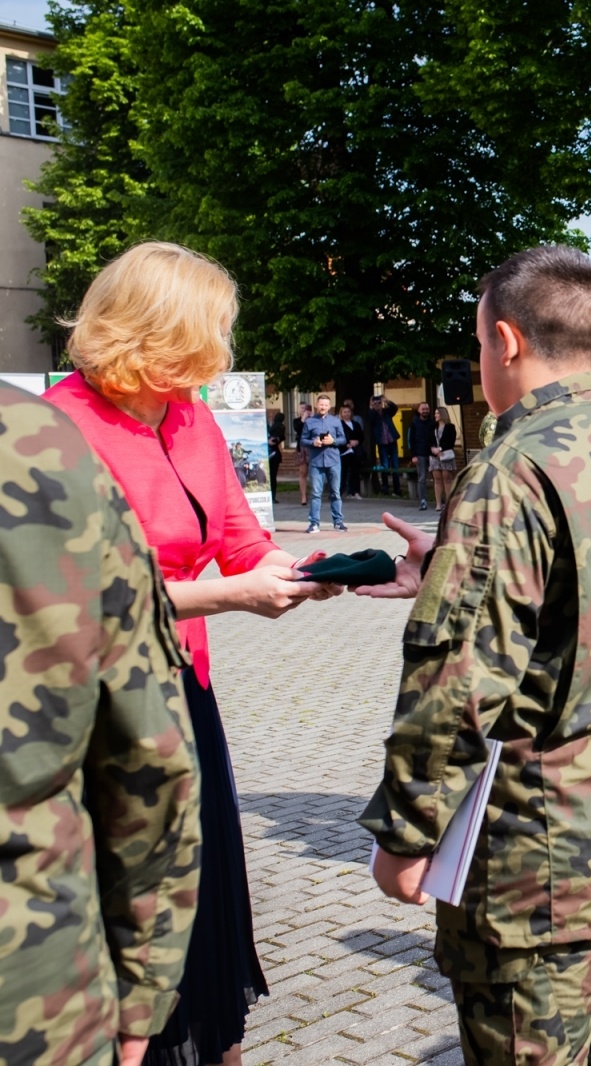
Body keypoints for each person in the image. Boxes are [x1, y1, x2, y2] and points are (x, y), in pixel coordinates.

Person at [359, 244, 591, 1065]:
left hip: (543, 850)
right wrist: (448, 568)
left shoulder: (511, 470)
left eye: (480, 343)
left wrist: (409, 833)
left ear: (507, 343)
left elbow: (456, 684)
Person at [44, 241, 341, 1066]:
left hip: (185, 689)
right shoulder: (58, 430)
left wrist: (307, 575)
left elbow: (240, 543)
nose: (217, 355)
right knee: (125, 911)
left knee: (199, 902)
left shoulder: (189, 415)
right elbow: (69, 602)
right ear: (153, 330)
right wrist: (226, 595)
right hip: (90, 711)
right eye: (207, 333)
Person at [0, 382, 201, 1066]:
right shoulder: (50, 436)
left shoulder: (179, 425)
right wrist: (143, 987)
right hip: (30, 985)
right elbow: (148, 757)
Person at [300, 393, 347, 532]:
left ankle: (338, 522)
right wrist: (313, 442)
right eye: (321, 404)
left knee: (336, 493)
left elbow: (343, 439)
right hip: (316, 461)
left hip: (333, 461)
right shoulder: (309, 422)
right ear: (316, 405)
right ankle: (314, 523)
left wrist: (333, 441)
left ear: (329, 406)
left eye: (326, 405)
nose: (323, 407)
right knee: (315, 493)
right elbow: (303, 440)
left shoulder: (335, 421)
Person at [408, 399, 438, 510]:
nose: (425, 411)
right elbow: (410, 440)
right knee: (422, 478)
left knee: (437, 478)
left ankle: (438, 500)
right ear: (419, 410)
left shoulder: (432, 423)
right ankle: (423, 501)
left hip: (432, 454)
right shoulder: (414, 423)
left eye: (427, 409)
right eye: (423, 409)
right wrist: (413, 455)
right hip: (420, 454)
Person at [430, 405, 457, 520]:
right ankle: (438, 504)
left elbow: (451, 442)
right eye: (435, 413)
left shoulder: (450, 427)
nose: (435, 415)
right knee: (437, 479)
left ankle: (448, 502)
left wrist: (440, 449)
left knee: (447, 479)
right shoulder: (433, 427)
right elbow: (429, 439)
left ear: (442, 414)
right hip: (434, 456)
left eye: (437, 413)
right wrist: (433, 449)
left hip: (445, 455)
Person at [368, 393, 400, 495]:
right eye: (375, 403)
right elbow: (370, 419)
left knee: (395, 466)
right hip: (382, 443)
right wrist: (372, 406)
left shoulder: (387, 412)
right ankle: (385, 488)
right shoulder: (373, 414)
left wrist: (386, 400)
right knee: (384, 466)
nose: (377, 404)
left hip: (392, 441)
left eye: (378, 402)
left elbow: (394, 408)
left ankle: (397, 489)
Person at [339, 399, 365, 500]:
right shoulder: (339, 424)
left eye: (348, 412)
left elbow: (361, 436)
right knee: (343, 473)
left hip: (355, 451)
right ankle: (340, 492)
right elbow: (338, 437)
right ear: (341, 413)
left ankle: (355, 492)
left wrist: (357, 441)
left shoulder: (356, 424)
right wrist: (346, 444)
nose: (347, 414)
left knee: (355, 472)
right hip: (344, 451)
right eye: (344, 412)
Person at [293, 401, 312, 505]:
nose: (304, 410)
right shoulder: (296, 421)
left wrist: (312, 417)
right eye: (302, 408)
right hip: (302, 448)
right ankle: (303, 496)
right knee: (303, 472)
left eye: (306, 408)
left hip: (312, 447)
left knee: (315, 473)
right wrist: (303, 419)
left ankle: (315, 494)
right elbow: (298, 429)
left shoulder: (313, 420)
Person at [267, 409, 285, 501]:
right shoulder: (281, 427)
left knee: (269, 476)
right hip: (275, 453)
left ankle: (269, 496)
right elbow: (280, 438)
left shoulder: (271, 427)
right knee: (273, 476)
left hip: (270, 453)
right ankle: (273, 497)